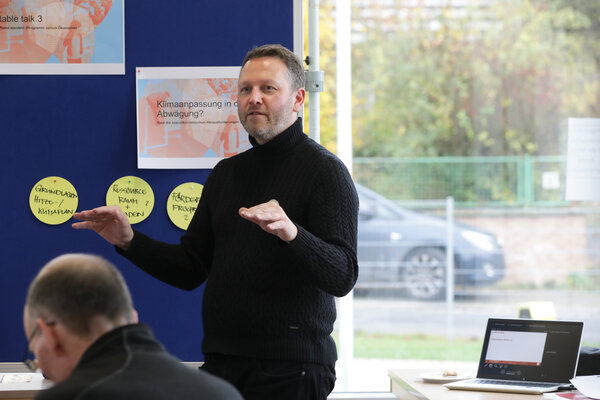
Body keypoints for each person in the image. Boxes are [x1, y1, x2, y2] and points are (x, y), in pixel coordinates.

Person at [72, 43, 359, 400]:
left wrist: (293, 234)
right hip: (222, 365)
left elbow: (343, 275)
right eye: (245, 89)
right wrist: (129, 240)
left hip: (292, 369)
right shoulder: (225, 174)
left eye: (268, 88)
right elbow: (190, 269)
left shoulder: (326, 172)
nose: (254, 98)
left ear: (298, 99)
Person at [23, 253, 243, 400]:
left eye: (33, 351)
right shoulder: (224, 394)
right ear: (132, 319)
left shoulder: (67, 397)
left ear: (51, 335)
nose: (40, 364)